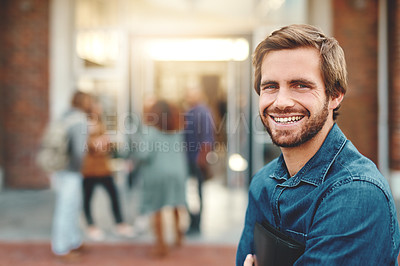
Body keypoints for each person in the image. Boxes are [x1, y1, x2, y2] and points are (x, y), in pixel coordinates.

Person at [237, 24, 400, 265]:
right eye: (270, 86)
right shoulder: (262, 182)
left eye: (300, 85)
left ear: (334, 95)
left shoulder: (357, 194)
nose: (281, 102)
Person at [132, 99, 188, 257]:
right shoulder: (178, 130)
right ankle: (178, 236)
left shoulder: (150, 131)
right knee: (176, 204)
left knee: (156, 208)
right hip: (178, 172)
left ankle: (161, 245)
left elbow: (144, 154)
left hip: (157, 173)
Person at [81, 98, 134, 240]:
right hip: (89, 170)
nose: (99, 111)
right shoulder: (84, 124)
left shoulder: (101, 124)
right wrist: (98, 144)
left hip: (104, 168)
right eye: (96, 108)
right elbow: (89, 145)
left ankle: (120, 224)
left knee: (114, 195)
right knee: (87, 198)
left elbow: (106, 144)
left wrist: (103, 144)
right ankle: (91, 225)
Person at [51, 90, 91, 262]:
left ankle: (74, 241)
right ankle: (61, 247)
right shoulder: (80, 119)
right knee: (67, 208)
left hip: (60, 167)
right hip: (71, 171)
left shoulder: (65, 116)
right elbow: (79, 150)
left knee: (72, 206)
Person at [184, 87, 215, 234]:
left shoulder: (202, 112)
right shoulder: (190, 111)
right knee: (192, 192)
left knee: (196, 192)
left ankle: (196, 224)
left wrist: (201, 158)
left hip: (196, 159)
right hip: (189, 159)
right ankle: (193, 222)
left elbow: (207, 137)